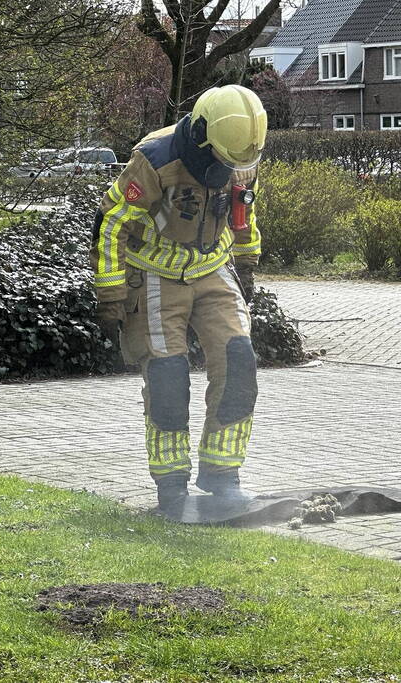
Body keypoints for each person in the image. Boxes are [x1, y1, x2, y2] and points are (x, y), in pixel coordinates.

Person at [91, 85, 267, 514]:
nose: (230, 169)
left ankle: (223, 474)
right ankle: (171, 486)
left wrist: (246, 262)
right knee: (168, 376)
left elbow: (244, 211)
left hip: (212, 265)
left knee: (239, 359)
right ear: (204, 136)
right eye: (224, 161)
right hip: (155, 272)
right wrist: (111, 293)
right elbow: (113, 224)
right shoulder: (155, 159)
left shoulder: (241, 152)